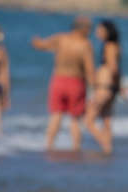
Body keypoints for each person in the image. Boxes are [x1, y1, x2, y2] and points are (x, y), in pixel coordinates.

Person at [32, 16, 95, 151]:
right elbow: (89, 70)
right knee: (75, 119)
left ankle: (49, 145)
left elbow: (41, 45)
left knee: (56, 115)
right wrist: (94, 90)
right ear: (82, 29)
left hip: (58, 81)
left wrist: (36, 42)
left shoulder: (61, 38)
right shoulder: (85, 44)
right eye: (89, 28)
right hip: (76, 82)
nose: (91, 31)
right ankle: (76, 147)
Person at [84, 20, 121, 154]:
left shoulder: (109, 46)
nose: (97, 32)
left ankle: (106, 147)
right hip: (110, 88)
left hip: (104, 87)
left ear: (107, 31)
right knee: (106, 120)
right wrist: (117, 86)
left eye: (100, 30)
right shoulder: (115, 46)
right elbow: (116, 69)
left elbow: (113, 68)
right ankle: (107, 149)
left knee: (88, 121)